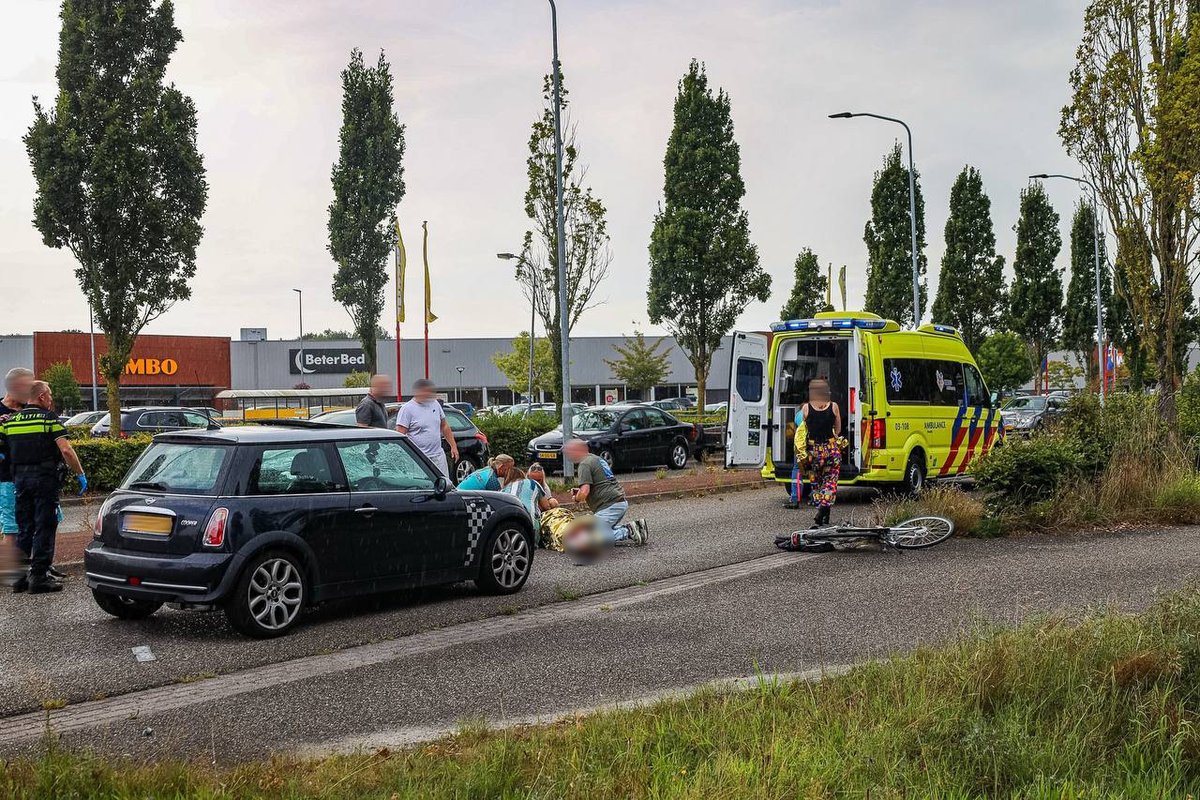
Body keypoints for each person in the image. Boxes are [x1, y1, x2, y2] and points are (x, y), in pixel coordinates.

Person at [0, 381, 87, 594]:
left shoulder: (11, 421)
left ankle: (19, 579)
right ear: (41, 397)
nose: (51, 399)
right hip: (44, 480)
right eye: (49, 395)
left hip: (19, 481)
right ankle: (38, 577)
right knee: (44, 527)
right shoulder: (49, 419)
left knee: (25, 528)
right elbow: (66, 450)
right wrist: (80, 474)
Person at [563, 439, 647, 546]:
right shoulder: (596, 459)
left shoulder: (584, 464)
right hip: (618, 502)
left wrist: (576, 498)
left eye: (570, 451)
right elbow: (600, 483)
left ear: (579, 449)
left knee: (592, 536)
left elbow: (584, 492)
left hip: (609, 506)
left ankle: (628, 532)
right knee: (602, 528)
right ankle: (636, 527)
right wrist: (580, 491)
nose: (568, 455)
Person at [798, 377, 843, 528]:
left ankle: (822, 509)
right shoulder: (834, 406)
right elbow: (838, 430)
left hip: (813, 452)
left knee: (816, 482)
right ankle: (824, 508)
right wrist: (833, 437)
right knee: (830, 481)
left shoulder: (805, 408)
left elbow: (802, 430)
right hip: (831, 450)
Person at [395, 378, 458, 478]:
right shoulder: (407, 409)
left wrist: (453, 446)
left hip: (438, 456)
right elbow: (400, 434)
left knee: (444, 484)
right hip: (418, 459)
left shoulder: (435, 404)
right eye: (425, 391)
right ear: (418, 392)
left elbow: (444, 426)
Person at [1, 368, 34, 544]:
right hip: (7, 479)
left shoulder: (30, 410)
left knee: (39, 524)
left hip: (33, 477)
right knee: (11, 529)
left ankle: (38, 567)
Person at [500, 462, 559, 531]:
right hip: (530, 525)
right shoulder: (534, 484)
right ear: (527, 476)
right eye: (533, 479)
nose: (535, 481)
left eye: (538, 480)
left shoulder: (503, 490)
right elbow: (547, 507)